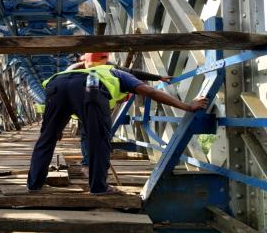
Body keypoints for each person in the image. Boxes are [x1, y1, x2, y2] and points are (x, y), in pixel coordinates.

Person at [27, 53, 208, 195]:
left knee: (46, 139)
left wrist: (56, 128)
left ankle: (34, 184)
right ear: (125, 92)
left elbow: (69, 94)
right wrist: (187, 106)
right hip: (91, 87)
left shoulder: (83, 70)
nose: (119, 102)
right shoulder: (118, 76)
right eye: (123, 99)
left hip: (56, 84)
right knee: (99, 140)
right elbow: (150, 92)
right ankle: (99, 188)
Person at [67, 52, 172, 177]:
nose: (96, 66)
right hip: (81, 104)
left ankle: (98, 167)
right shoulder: (75, 69)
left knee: (101, 135)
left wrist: (158, 77)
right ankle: (87, 165)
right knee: (87, 134)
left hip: (102, 103)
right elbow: (64, 90)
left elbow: (132, 73)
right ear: (85, 61)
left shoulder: (110, 66)